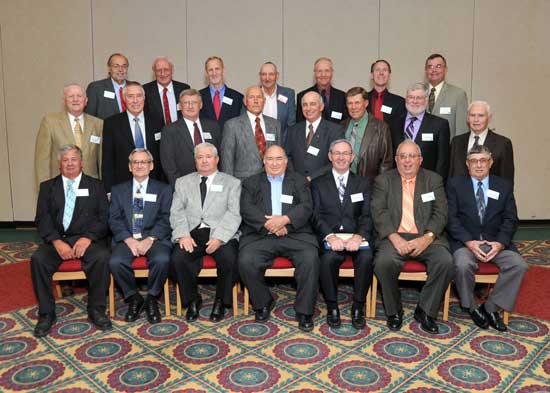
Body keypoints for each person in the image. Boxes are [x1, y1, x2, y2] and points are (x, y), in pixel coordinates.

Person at [371, 140, 453, 334]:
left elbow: (441, 213)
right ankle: (394, 311)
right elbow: (379, 211)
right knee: (383, 262)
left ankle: (426, 310)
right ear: (396, 160)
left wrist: (427, 237)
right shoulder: (383, 181)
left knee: (446, 261)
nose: (407, 161)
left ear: (420, 160)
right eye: (403, 156)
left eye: (412, 156)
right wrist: (394, 237)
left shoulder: (433, 180)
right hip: (394, 236)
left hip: (426, 236)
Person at [31, 145, 111, 337]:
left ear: (82, 162)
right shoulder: (48, 187)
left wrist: (87, 238)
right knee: (38, 260)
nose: (70, 163)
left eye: (74, 159)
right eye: (65, 160)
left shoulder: (96, 186)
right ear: (59, 164)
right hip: (58, 239)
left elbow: (104, 219)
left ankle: (96, 310)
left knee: (102, 257)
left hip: (87, 239)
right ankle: (46, 314)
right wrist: (57, 242)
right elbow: (42, 219)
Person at [446, 145, 527, 331]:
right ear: (467, 164)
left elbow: (510, 219)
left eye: (483, 161)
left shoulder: (503, 186)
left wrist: (499, 244)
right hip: (466, 242)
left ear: (490, 163)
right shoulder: (455, 184)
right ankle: (472, 307)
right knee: (463, 264)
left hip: (495, 242)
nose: (479, 165)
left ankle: (490, 307)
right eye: (474, 161)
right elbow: (451, 219)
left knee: (519, 265)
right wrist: (469, 242)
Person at [239, 145, 319, 331]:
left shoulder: (299, 181)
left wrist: (285, 220)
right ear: (264, 161)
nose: (274, 163)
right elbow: (246, 208)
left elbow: (307, 206)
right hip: (261, 234)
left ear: (286, 161)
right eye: (270, 159)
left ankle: (304, 311)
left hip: (295, 233)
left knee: (310, 258)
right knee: (245, 260)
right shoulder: (251, 182)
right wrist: (271, 225)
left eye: (279, 159)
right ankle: (263, 302)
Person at [170, 143, 241, 322]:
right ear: (195, 161)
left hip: (221, 232)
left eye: (208, 156)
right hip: (192, 232)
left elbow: (234, 213)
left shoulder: (232, 183)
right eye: (200, 157)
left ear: (217, 159)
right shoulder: (182, 182)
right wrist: (183, 234)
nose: (204, 160)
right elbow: (176, 212)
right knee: (178, 258)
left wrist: (220, 237)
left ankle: (221, 301)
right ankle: (192, 299)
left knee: (230, 259)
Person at [311, 139, 373, 329]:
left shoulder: (362, 183)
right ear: (329, 156)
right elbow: (315, 215)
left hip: (356, 238)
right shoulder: (318, 183)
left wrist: (358, 236)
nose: (340, 157)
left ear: (352, 157)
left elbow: (367, 214)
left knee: (367, 258)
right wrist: (330, 236)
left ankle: (358, 306)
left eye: (345, 153)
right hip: (331, 238)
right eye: (336, 153)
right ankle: (332, 307)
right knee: (327, 260)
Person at [108, 148, 172, 324]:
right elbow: (114, 219)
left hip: (155, 238)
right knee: (115, 262)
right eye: (135, 162)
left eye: (144, 162)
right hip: (127, 238)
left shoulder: (164, 189)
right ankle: (133, 298)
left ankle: (152, 298)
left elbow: (166, 218)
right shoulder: (118, 190)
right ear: (129, 167)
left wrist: (150, 239)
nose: (139, 166)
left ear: (151, 166)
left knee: (162, 260)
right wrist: (128, 239)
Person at [35, 84, 103, 189]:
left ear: (86, 100)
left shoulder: (98, 124)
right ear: (64, 101)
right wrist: (45, 189)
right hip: (59, 186)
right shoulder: (50, 122)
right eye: (71, 96)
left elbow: (101, 159)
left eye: (79, 96)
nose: (75, 99)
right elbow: (42, 162)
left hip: (90, 186)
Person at [102, 82, 164, 193]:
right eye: (130, 96)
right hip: (122, 184)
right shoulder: (111, 123)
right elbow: (108, 160)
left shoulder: (157, 121)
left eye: (139, 96)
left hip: (153, 182)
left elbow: (162, 156)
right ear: (124, 99)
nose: (135, 100)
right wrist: (109, 190)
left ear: (144, 99)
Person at [389, 83, 450, 180]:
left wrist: (437, 185)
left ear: (426, 101)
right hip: (398, 181)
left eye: (419, 98)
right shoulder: (394, 123)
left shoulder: (440, 125)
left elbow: (442, 161)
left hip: (427, 182)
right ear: (406, 99)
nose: (414, 101)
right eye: (411, 97)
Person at [160, 89, 221, 187]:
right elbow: (169, 165)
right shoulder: (170, 130)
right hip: (184, 186)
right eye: (186, 103)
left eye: (194, 102)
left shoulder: (213, 127)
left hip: (213, 184)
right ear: (180, 106)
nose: (190, 106)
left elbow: (219, 156)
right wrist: (180, 187)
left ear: (200, 105)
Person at [220, 86, 281, 180]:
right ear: (245, 101)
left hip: (271, 181)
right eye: (252, 97)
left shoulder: (274, 124)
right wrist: (230, 186)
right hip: (243, 183)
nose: (256, 101)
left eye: (259, 97)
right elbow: (227, 160)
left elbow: (279, 156)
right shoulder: (232, 125)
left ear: (264, 101)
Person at [449, 101, 514, 184]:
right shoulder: (456, 142)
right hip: (460, 195)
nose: (476, 120)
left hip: (488, 195)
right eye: (472, 115)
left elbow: (507, 180)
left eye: (481, 115)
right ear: (468, 118)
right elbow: (451, 174)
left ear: (489, 118)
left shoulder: (503, 144)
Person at [286, 91, 344, 181]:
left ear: (321, 107)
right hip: (297, 185)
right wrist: (295, 177)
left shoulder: (335, 130)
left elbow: (337, 160)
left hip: (324, 184)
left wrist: (312, 178)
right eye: (305, 105)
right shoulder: (293, 130)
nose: (308, 108)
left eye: (312, 104)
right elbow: (287, 156)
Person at [342, 86, 393, 183]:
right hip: (344, 183)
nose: (353, 107)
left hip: (369, 185)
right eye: (350, 103)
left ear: (366, 103)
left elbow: (386, 163)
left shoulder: (381, 128)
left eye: (357, 103)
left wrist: (380, 188)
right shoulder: (342, 126)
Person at [425, 53, 468, 138]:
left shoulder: (458, 95)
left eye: (438, 66)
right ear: (426, 70)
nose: (434, 70)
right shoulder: (418, 93)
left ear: (445, 70)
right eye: (430, 67)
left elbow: (462, 130)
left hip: (447, 149)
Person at [296, 57, 348, 124]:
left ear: (332, 72)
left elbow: (345, 124)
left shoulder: (342, 97)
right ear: (315, 73)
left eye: (327, 71)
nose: (323, 75)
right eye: (319, 71)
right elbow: (300, 125)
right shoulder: (303, 96)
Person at [143, 56, 190, 127]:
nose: (163, 74)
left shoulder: (184, 88)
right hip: (157, 134)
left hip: (181, 133)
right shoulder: (145, 90)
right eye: (159, 70)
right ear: (154, 72)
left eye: (166, 69)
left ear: (172, 70)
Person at [199, 56, 243, 130]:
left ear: (223, 70)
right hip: (207, 141)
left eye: (217, 69)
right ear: (206, 73)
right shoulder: (198, 97)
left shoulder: (238, 98)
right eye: (210, 70)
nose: (214, 73)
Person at [259, 61, 296, 147]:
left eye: (271, 74)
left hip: (281, 146)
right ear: (260, 76)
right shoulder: (253, 94)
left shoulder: (288, 94)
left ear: (277, 76)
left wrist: (282, 146)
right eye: (264, 74)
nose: (267, 78)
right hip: (257, 146)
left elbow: (291, 124)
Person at [85, 53, 129, 119]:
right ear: (109, 69)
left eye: (124, 66)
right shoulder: (96, 88)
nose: (120, 69)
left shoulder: (135, 87)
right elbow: (89, 118)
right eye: (116, 66)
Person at [367, 59, 406, 124]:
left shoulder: (400, 102)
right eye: (377, 70)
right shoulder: (362, 100)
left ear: (389, 75)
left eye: (384, 70)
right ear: (371, 75)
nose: (381, 73)